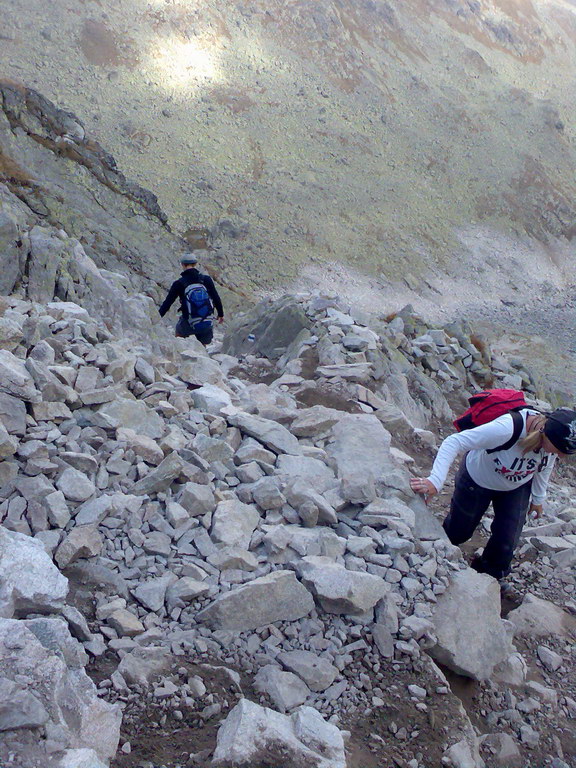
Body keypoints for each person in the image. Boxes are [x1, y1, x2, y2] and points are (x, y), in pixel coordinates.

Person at [410, 407, 576, 581]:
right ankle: (441, 558)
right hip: (477, 479)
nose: (561, 456)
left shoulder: (550, 444)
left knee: (506, 542)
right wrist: (435, 480)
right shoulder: (507, 428)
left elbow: (544, 466)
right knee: (459, 532)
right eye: (559, 450)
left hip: (515, 486)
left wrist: (538, 498)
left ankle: (489, 576)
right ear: (545, 433)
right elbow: (454, 441)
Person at [159, 253, 224, 346]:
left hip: (188, 324)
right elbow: (216, 297)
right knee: (203, 340)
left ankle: (180, 351)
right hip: (206, 323)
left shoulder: (179, 283)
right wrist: (221, 314)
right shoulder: (206, 279)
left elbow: (167, 303)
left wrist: (157, 318)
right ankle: (202, 352)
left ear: (182, 265)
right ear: (195, 264)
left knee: (179, 332)